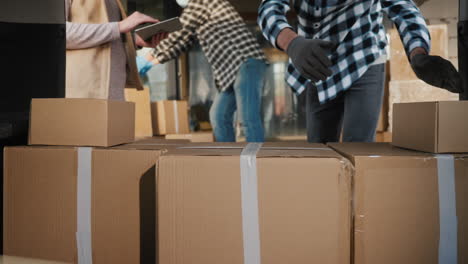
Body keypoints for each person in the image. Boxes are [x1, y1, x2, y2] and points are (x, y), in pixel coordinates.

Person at [258, 0, 463, 143]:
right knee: (319, 145)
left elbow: (404, 9)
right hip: (317, 61)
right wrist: (292, 43)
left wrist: (419, 54)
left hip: (363, 57)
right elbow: (269, 7)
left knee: (358, 144)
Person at [151, 0, 268, 142]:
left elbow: (181, 29)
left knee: (248, 118)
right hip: (229, 73)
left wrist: (151, 53)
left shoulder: (202, 1)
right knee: (218, 115)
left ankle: (257, 162)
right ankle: (229, 160)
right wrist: (152, 62)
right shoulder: (198, 15)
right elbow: (183, 43)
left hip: (245, 61)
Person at [65, 0, 167, 100]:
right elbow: (57, 33)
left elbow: (110, 36)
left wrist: (133, 39)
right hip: (82, 93)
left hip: (114, 93)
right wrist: (119, 27)